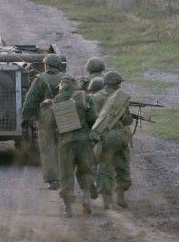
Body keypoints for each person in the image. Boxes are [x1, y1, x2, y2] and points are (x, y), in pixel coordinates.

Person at [52, 75, 97, 216]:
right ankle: (85, 198)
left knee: (66, 174)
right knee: (85, 170)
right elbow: (92, 119)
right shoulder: (84, 96)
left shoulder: (57, 99)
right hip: (83, 141)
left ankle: (68, 208)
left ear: (62, 86)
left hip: (65, 142)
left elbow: (53, 123)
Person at [20, 53, 66, 189]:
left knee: (47, 147)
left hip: (46, 114)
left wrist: (26, 117)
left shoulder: (40, 78)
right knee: (64, 146)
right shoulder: (66, 78)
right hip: (65, 113)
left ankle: (53, 180)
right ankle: (66, 177)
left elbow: (31, 100)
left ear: (47, 65)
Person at [91, 70, 133, 209]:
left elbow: (91, 119)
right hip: (121, 136)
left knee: (103, 165)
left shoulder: (95, 97)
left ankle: (106, 198)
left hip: (104, 137)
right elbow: (127, 120)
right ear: (118, 84)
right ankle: (120, 195)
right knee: (122, 163)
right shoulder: (121, 98)